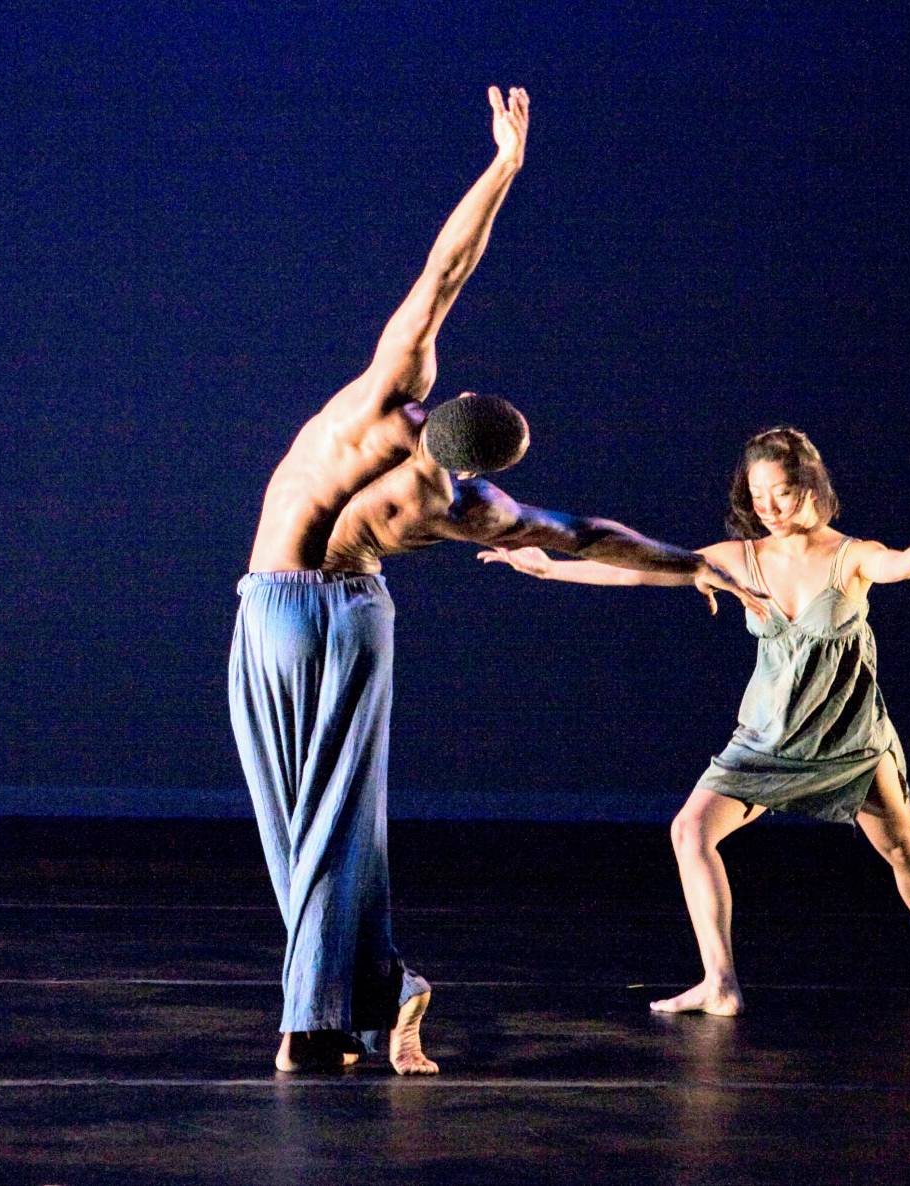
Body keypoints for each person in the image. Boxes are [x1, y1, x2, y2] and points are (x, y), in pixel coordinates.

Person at [229, 87, 766, 1076]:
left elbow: (443, 272)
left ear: (451, 403)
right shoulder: (467, 508)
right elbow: (586, 535)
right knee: (317, 817)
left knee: (311, 815)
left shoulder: (381, 398)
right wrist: (690, 564)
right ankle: (360, 998)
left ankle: (330, 1013)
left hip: (283, 607)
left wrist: (501, 166)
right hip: (326, 616)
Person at [479, 426, 910, 1014]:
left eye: (782, 493)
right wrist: (551, 570)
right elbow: (640, 569)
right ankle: (720, 982)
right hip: (767, 738)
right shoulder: (737, 560)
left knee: (902, 847)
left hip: (848, 738)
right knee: (689, 832)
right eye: (756, 495)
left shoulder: (850, 556)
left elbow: (899, 565)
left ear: (812, 488)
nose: (768, 508)